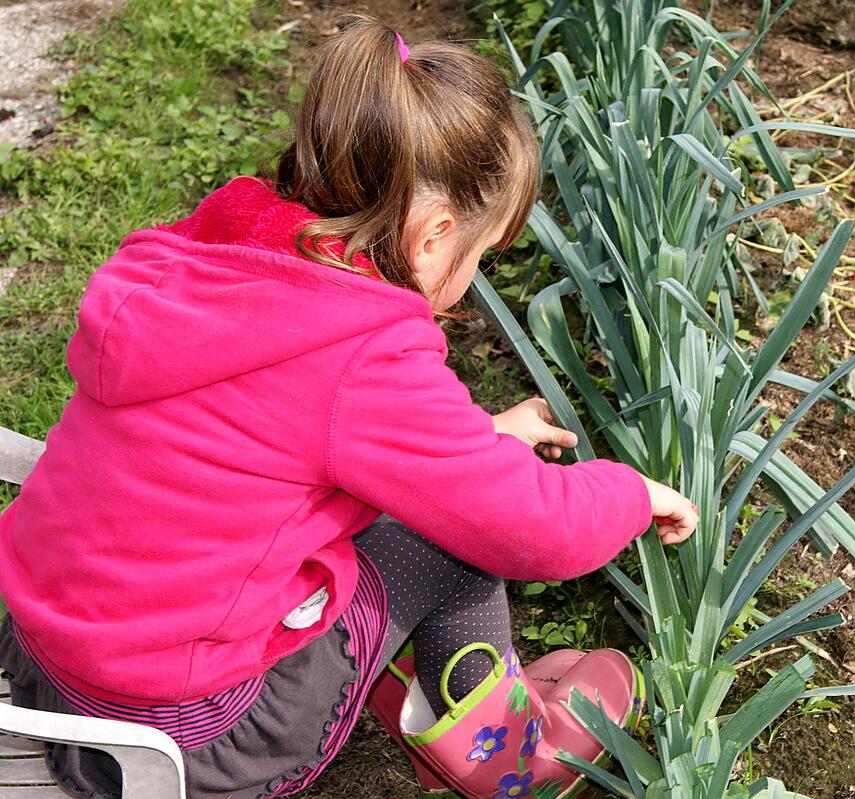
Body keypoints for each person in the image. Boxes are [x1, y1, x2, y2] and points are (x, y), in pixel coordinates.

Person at [0, 15, 697, 799]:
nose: (473, 276)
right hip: (196, 739)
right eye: (481, 256)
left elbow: (267, 435)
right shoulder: (361, 351)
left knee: (429, 503)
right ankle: (510, 759)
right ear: (434, 237)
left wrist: (481, 436)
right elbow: (526, 525)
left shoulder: (205, 258)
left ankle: (433, 687)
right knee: (455, 541)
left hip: (47, 677)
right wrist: (633, 492)